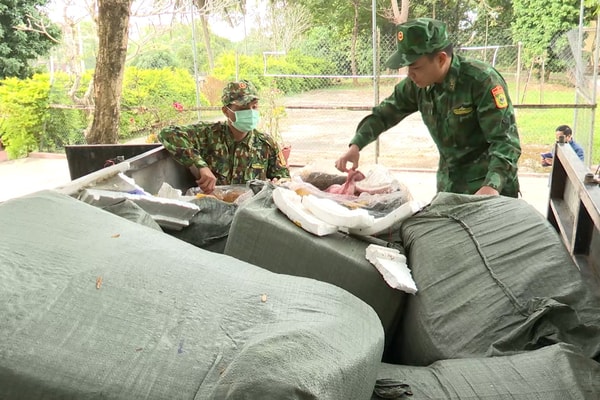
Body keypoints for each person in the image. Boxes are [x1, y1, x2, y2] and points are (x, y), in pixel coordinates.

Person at [335, 18, 521, 197]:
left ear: (441, 59)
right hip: (450, 187)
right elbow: (384, 114)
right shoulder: (417, 85)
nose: (410, 74)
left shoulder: (481, 81)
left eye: (415, 67)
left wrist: (492, 186)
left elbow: (506, 142)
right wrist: (356, 145)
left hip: (490, 190)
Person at [158, 80, 290, 194]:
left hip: (251, 213)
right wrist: (200, 166)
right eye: (243, 107)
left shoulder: (266, 144)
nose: (250, 112)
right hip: (214, 209)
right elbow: (167, 133)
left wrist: (278, 183)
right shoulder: (208, 135)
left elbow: (284, 178)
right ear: (226, 111)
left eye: (254, 106)